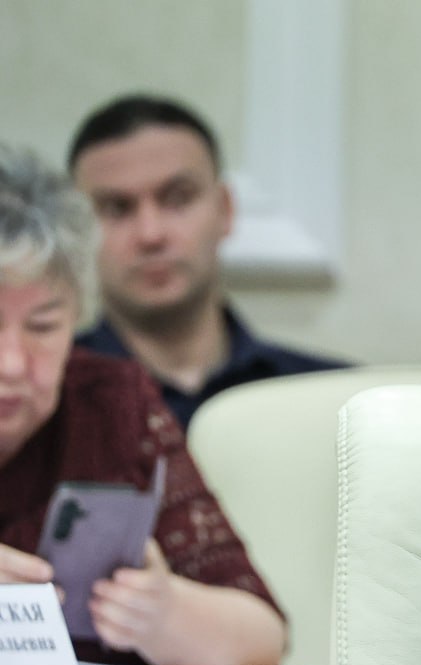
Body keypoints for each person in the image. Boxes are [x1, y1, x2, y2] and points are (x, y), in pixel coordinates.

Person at [0, 143, 286, 665]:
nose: (14, 363)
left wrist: (164, 614)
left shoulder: (113, 404)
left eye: (43, 326)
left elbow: (263, 639)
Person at [67, 94, 347, 430]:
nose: (151, 234)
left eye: (178, 198)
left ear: (225, 210)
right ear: (77, 232)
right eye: (116, 208)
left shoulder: (336, 405)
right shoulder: (36, 410)